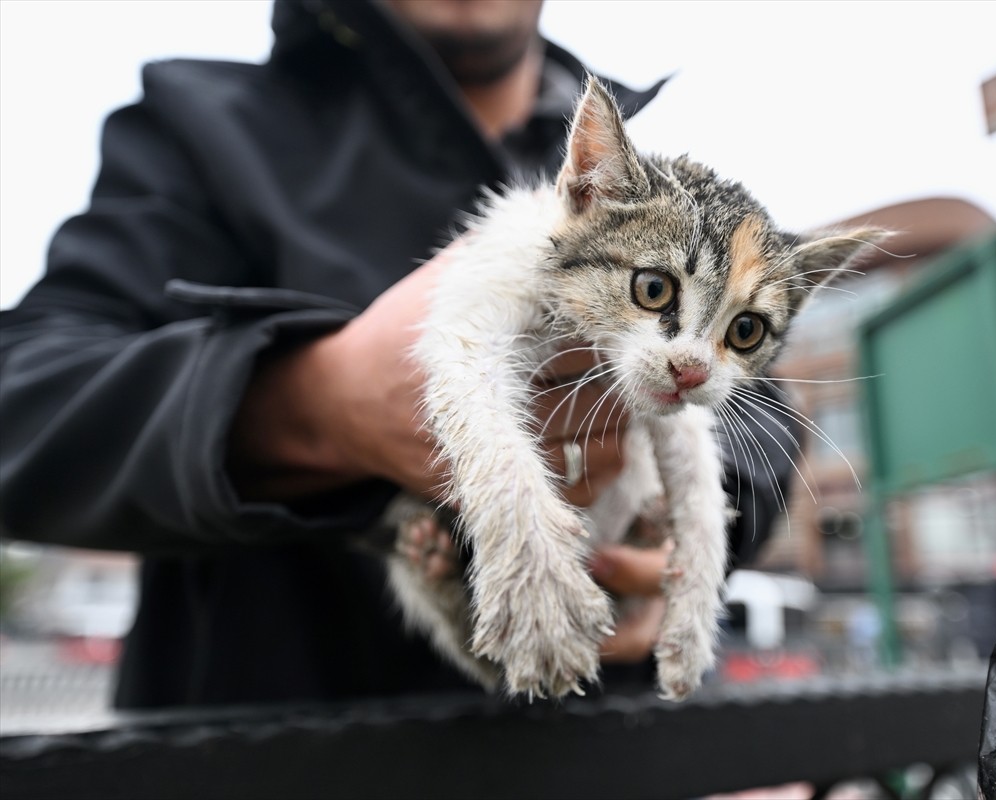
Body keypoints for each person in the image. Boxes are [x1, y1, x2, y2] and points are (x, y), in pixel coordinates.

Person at [0, 0, 798, 707]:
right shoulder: (197, 125)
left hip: (604, 749)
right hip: (277, 746)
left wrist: (669, 552)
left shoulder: (648, 177)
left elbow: (767, 419)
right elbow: (22, 400)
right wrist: (312, 406)